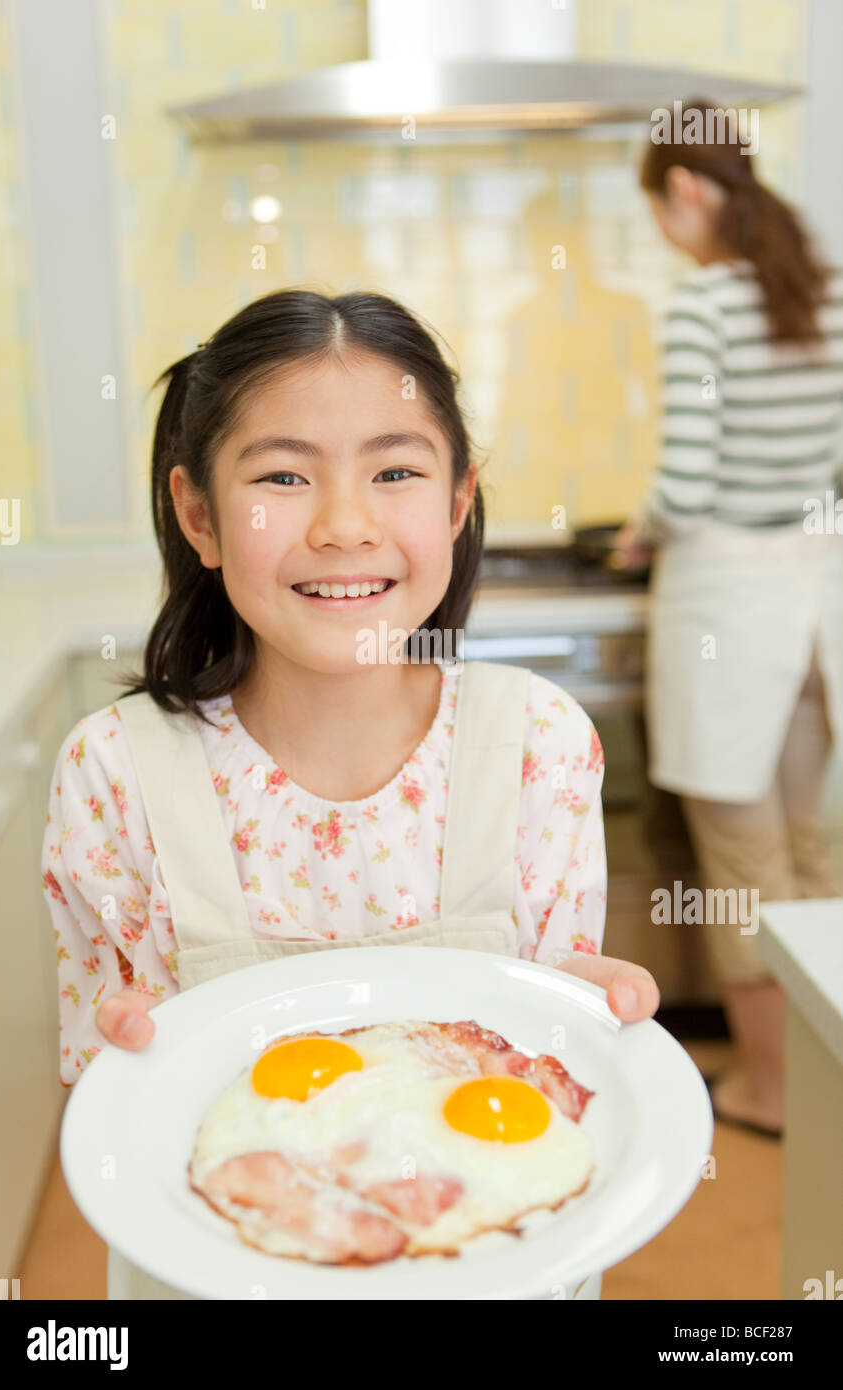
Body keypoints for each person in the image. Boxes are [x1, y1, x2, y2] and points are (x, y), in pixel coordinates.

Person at [42, 288, 659, 1299]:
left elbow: (546, 1062)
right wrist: (124, 1056)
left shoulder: (534, 745)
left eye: (394, 472)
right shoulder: (113, 772)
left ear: (457, 505)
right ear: (197, 512)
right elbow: (110, 1102)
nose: (342, 524)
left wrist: (585, 1017)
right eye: (282, 474)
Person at [615, 99, 843, 1137]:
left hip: (731, 603)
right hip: (817, 599)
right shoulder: (823, 290)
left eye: (659, 208)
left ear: (687, 190)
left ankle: (772, 1092)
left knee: (745, 867)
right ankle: (825, 1082)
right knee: (817, 854)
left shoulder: (703, 304)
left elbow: (688, 479)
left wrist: (640, 530)